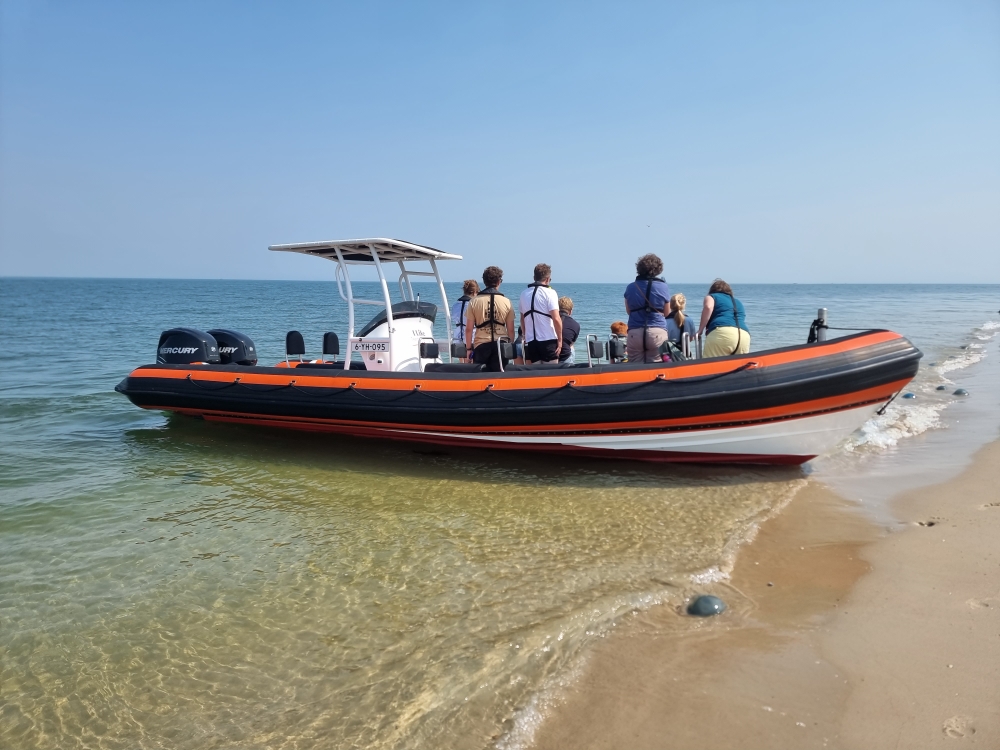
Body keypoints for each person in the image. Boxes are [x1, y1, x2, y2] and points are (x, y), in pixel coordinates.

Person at [465, 266, 515, 372]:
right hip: (501, 345)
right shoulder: (506, 301)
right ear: (498, 281)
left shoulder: (474, 301)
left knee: (480, 379)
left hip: (481, 345)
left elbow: (469, 329)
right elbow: (511, 329)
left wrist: (469, 349)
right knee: (500, 378)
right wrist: (510, 346)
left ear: (484, 281)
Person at [623, 254, 671, 363]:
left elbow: (628, 311)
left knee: (635, 370)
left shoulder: (631, 287)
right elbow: (667, 312)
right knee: (656, 369)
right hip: (657, 331)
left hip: (635, 332)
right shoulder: (663, 286)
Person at [519, 263, 563, 364]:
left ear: (534, 277)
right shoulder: (550, 293)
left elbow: (522, 319)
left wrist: (525, 336)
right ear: (547, 279)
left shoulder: (524, 293)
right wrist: (560, 341)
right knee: (551, 375)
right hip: (548, 340)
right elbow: (556, 319)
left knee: (536, 375)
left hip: (532, 342)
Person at [697, 279, 751, 357]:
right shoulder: (738, 302)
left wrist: (700, 330)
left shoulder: (712, 296)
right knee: (739, 367)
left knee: (710, 366)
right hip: (744, 335)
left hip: (722, 333)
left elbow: (708, 307)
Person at [450, 279, 479, 362]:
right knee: (470, 362)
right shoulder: (473, 305)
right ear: (474, 292)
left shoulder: (455, 304)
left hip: (458, 336)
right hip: (471, 337)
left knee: (462, 363)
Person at [558, 297, 580, 364]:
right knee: (571, 347)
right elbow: (571, 344)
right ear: (570, 311)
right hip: (565, 356)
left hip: (549, 355)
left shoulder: (550, 320)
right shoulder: (575, 325)